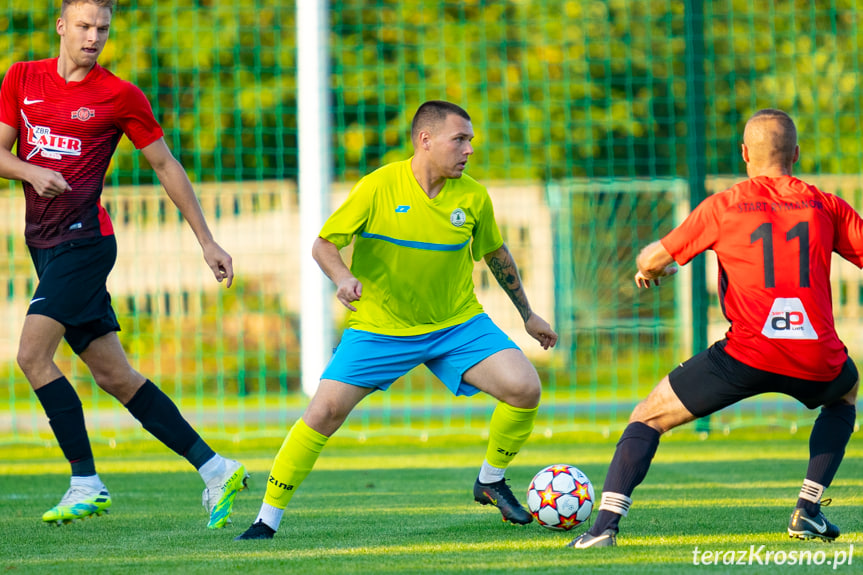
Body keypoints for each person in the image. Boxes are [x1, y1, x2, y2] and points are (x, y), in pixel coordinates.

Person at [235, 100, 558, 540]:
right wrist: (344, 277)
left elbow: (496, 254)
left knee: (525, 387)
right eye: (459, 140)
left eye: (471, 141)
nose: (468, 150)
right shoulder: (379, 186)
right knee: (323, 411)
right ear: (425, 141)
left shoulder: (473, 196)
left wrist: (528, 314)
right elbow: (324, 245)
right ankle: (266, 520)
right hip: (380, 328)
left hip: (456, 325)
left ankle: (490, 481)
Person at [0, 0, 248, 528]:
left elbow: (165, 163)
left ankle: (85, 481)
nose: (94, 37)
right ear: (62, 26)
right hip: (42, 245)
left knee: (31, 356)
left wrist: (207, 241)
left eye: (103, 29)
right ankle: (215, 468)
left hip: (85, 242)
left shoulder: (119, 95)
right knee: (115, 375)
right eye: (85, 26)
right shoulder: (21, 78)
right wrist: (29, 171)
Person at [569, 109, 860, 549]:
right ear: (796, 154)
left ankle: (602, 529)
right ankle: (808, 509)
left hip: (746, 354)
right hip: (815, 355)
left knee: (648, 415)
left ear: (744, 153)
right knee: (845, 393)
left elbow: (651, 259)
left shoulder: (724, 205)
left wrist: (653, 269)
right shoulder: (826, 204)